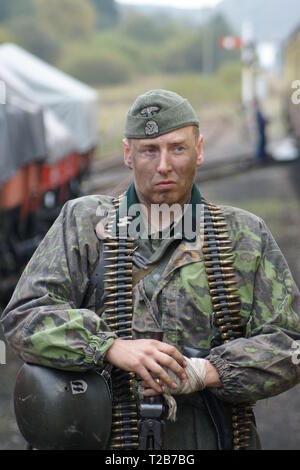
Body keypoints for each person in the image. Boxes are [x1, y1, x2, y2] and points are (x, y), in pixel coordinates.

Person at [2, 90, 300, 450]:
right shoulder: (83, 224)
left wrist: (207, 372)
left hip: (213, 436)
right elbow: (23, 317)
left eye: (177, 148)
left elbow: (289, 345)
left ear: (199, 150)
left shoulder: (244, 235)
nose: (163, 165)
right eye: (149, 150)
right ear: (128, 154)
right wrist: (109, 347)